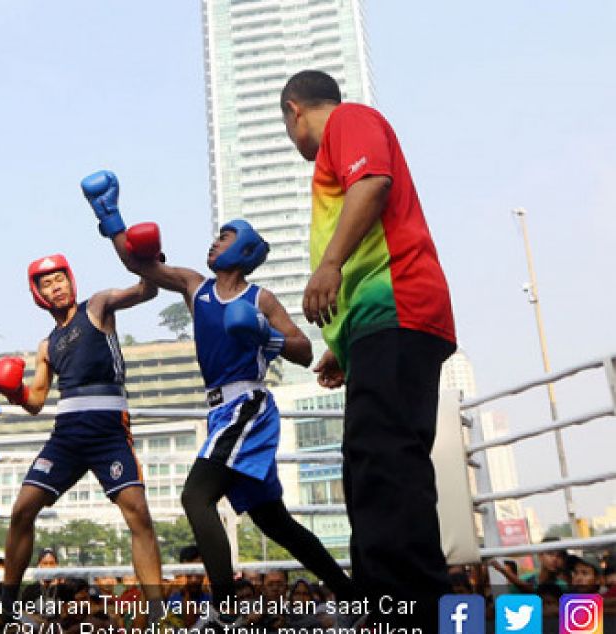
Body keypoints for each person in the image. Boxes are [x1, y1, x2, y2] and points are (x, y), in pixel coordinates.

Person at [82, 169, 355, 626]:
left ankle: (224, 612)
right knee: (275, 522)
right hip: (221, 412)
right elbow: (140, 267)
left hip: (248, 405)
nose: (214, 243)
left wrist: (264, 336)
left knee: (196, 497)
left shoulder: (260, 298)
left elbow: (304, 350)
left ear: (244, 250)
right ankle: (355, 597)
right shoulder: (195, 285)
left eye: (224, 237)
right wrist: (111, 217)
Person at [280, 69, 458, 631]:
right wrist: (343, 344)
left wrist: (327, 264)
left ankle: (413, 611)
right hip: (378, 325)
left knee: (386, 461)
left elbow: (372, 184)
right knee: (365, 468)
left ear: (294, 111)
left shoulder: (350, 120)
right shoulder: (340, 139)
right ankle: (383, 604)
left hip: (401, 308)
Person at [0, 253, 164, 622]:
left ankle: (156, 611)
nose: (57, 287)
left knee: (139, 514)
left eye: (61, 279)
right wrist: (13, 392)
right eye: (48, 283)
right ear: (38, 294)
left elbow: (144, 292)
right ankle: (6, 604)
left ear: (71, 280)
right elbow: (36, 400)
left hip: (108, 429)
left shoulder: (97, 307)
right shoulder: (46, 345)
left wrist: (147, 263)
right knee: (22, 511)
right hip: (66, 434)